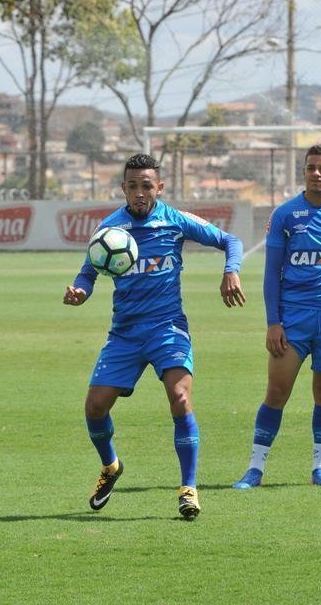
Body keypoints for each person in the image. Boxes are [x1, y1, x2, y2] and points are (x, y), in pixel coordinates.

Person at [64, 153, 245, 519]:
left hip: (167, 328)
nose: (140, 193)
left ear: (159, 187)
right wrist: (81, 292)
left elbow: (231, 240)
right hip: (125, 334)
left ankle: (188, 489)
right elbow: (88, 273)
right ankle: (110, 466)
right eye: (133, 186)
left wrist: (231, 271)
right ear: (123, 189)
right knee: (94, 407)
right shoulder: (110, 230)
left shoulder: (175, 220)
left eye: (147, 185)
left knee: (180, 398)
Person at [233, 144, 321, 490]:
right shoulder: (285, 215)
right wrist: (272, 322)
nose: (317, 173)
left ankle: (320, 469)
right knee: (276, 392)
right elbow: (271, 273)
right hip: (292, 319)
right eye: (311, 167)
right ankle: (255, 469)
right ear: (303, 172)